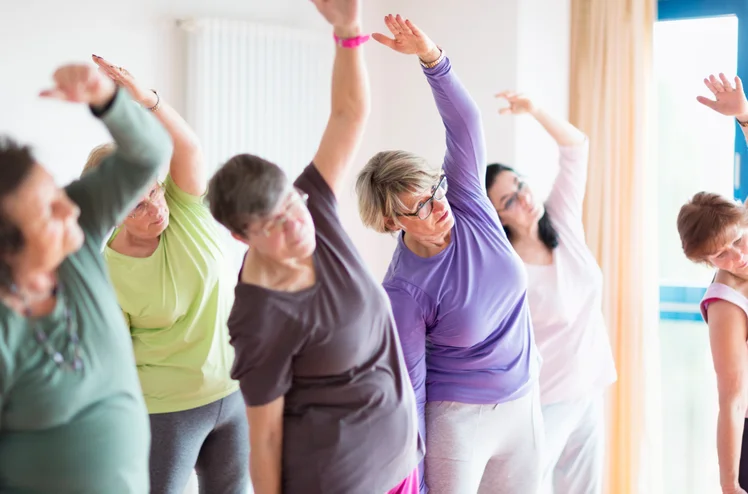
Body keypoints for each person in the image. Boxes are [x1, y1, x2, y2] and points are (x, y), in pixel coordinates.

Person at [206, 1, 421, 493]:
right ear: (243, 237)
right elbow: (264, 439)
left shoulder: (314, 205)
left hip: (400, 464)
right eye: (274, 225)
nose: (296, 225)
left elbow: (349, 113)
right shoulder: (260, 317)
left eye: (291, 205)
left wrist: (349, 32)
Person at [355, 14, 543, 494]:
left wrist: (430, 57)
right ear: (391, 222)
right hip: (459, 421)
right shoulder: (404, 290)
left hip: (523, 403)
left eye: (434, 187)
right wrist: (408, 470)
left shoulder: (467, 202)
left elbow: (467, 121)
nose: (438, 204)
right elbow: (410, 385)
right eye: (419, 204)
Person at [0, 63, 172, 493]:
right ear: (7, 247)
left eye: (56, 192)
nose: (69, 208)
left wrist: (108, 100)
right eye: (47, 211)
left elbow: (147, 155)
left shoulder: (80, 233)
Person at [81, 55, 247, 494]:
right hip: (167, 410)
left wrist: (145, 99)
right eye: (138, 203)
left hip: (234, 392)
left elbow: (188, 147)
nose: (156, 206)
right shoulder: (108, 272)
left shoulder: (185, 209)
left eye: (153, 189)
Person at [484, 92, 617, 494]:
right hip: (545, 401)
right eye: (509, 199)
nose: (524, 197)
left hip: (589, 388)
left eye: (520, 184)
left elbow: (576, 146)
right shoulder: (505, 268)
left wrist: (535, 110)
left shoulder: (560, 219)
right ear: (498, 216)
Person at [678, 72, 748, 494]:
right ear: (705, 262)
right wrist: (728, 485)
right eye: (721, 254)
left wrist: (743, 115)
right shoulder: (725, 303)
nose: (736, 256)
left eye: (737, 240)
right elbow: (732, 399)